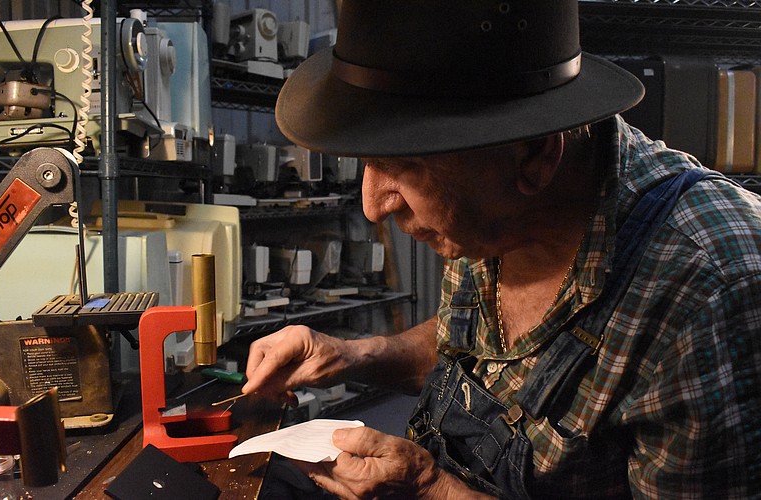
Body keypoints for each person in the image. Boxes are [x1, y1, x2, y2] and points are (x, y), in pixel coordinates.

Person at [242, 1, 761, 498]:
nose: (373, 205)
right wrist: (351, 356)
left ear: (534, 154)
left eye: (404, 166)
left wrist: (431, 491)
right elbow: (486, 353)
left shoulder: (710, 293)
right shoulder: (492, 213)